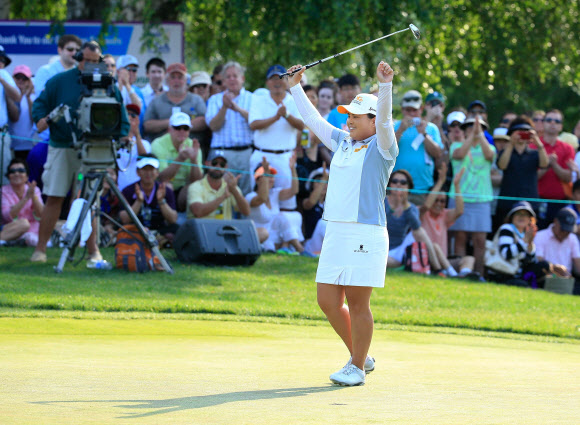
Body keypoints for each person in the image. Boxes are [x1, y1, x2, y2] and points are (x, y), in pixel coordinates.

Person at [287, 60, 398, 386]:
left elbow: (387, 120)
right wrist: (295, 86)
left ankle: (357, 368)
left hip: (366, 232)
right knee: (327, 301)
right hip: (336, 229)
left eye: (355, 115)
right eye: (347, 114)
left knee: (357, 302)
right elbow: (312, 119)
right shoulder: (342, 141)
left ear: (373, 121)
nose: (348, 120)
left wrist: (385, 86)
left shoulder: (383, 148)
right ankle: (361, 354)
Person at [30, 40, 130, 264]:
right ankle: (40, 249)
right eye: (88, 61)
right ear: (79, 60)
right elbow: (40, 106)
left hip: (95, 148)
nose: (93, 65)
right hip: (63, 147)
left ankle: (93, 250)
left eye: (97, 61)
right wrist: (42, 119)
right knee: (55, 196)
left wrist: (122, 136)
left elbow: (120, 113)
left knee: (90, 201)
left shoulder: (109, 84)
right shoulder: (59, 81)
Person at [249, 64, 304, 213]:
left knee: (286, 203)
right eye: (273, 79)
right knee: (259, 199)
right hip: (262, 156)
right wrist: (276, 117)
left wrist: (286, 115)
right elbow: (253, 124)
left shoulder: (294, 101)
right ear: (267, 82)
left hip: (285, 157)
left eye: (280, 78)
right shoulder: (258, 100)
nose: (277, 82)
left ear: (287, 80)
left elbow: (301, 126)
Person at [448, 116, 496, 274]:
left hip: (481, 200)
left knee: (480, 241)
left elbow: (489, 156)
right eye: (469, 127)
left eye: (478, 127)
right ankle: (461, 272)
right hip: (459, 198)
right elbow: (460, 154)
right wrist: (471, 136)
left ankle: (478, 274)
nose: (474, 129)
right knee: (460, 237)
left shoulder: (490, 148)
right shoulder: (455, 145)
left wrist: (479, 135)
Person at [486, 201, 566, 287]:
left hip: (517, 273)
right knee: (522, 285)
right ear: (512, 216)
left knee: (544, 265)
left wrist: (530, 243)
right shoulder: (507, 228)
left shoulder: (526, 233)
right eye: (518, 213)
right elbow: (506, 254)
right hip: (502, 273)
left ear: (530, 220)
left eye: (525, 215)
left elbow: (530, 261)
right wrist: (524, 241)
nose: (522, 217)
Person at [420, 163, 477, 278]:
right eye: (436, 200)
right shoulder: (421, 213)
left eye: (442, 201)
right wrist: (440, 181)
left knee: (469, 259)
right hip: (426, 258)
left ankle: (463, 274)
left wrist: (456, 186)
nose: (439, 204)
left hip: (444, 260)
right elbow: (426, 206)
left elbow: (459, 211)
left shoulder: (444, 215)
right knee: (434, 246)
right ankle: (453, 274)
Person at [205, 61, 254, 194]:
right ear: (224, 81)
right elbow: (213, 126)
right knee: (221, 192)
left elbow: (256, 123)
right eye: (228, 76)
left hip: (246, 154)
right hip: (221, 155)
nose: (232, 79)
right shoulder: (215, 100)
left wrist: (237, 109)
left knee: (245, 194)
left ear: (242, 78)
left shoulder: (252, 98)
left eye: (235, 75)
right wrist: (224, 107)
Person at [246, 156, 310, 256]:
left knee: (295, 215)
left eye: (271, 176)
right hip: (261, 236)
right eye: (266, 175)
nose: (270, 179)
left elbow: (294, 191)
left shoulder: (274, 193)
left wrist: (292, 170)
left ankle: (286, 247)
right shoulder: (250, 197)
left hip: (276, 236)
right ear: (257, 180)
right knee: (283, 216)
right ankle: (300, 249)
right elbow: (262, 198)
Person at [385, 169, 443, 272]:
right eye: (395, 181)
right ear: (389, 184)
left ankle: (438, 270)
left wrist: (404, 205)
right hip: (382, 247)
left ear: (408, 187)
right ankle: (406, 264)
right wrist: (393, 207)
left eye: (403, 183)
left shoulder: (411, 208)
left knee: (419, 231)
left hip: (399, 249)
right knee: (383, 261)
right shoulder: (382, 201)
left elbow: (416, 226)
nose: (398, 184)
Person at [393, 90, 443, 205]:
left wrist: (423, 134)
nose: (411, 113)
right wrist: (400, 130)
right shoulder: (394, 126)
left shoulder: (431, 128)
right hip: (397, 187)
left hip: (422, 190)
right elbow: (386, 150)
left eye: (414, 110)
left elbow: (437, 153)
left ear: (421, 109)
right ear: (402, 110)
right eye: (408, 110)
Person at [496, 116, 549, 226]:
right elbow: (502, 165)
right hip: (507, 204)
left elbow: (545, 164)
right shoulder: (504, 152)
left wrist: (538, 142)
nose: (522, 134)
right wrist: (511, 143)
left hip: (531, 204)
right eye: (518, 132)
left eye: (525, 132)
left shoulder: (534, 154)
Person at [120, 155, 178, 245]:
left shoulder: (166, 190)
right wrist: (138, 201)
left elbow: (173, 219)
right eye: (144, 169)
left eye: (151, 169)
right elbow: (124, 219)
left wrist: (161, 201)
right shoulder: (128, 191)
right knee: (124, 229)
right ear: (138, 172)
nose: (148, 173)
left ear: (157, 172)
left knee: (175, 229)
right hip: (136, 228)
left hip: (159, 229)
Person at [151, 112, 203, 212]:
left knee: (194, 188)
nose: (182, 131)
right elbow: (161, 177)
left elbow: (197, 181)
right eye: (178, 128)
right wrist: (180, 159)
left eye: (185, 128)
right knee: (167, 186)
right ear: (169, 129)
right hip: (161, 188)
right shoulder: (158, 144)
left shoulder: (193, 145)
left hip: (183, 190)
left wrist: (193, 160)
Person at [143, 62, 207, 142]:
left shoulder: (196, 100)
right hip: (161, 150)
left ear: (186, 80)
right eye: (173, 77)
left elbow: (203, 121)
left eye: (180, 77)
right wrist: (172, 123)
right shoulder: (156, 101)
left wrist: (179, 126)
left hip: (190, 149)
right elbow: (148, 125)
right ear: (167, 80)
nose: (176, 81)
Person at [535, 109, 575, 228]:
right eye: (549, 120)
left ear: (561, 126)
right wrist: (547, 165)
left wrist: (554, 165)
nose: (553, 123)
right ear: (543, 123)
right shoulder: (534, 146)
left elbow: (568, 177)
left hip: (560, 203)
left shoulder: (568, 148)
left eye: (557, 121)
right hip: (538, 201)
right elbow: (532, 177)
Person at [187, 150, 251, 220]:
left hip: (224, 230)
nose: (218, 166)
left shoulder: (231, 186)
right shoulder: (196, 186)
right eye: (214, 163)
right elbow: (198, 212)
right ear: (207, 164)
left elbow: (246, 212)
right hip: (200, 230)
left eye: (222, 164)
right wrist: (223, 197)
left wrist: (234, 191)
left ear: (226, 167)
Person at [1, 159, 44, 246]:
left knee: (58, 224)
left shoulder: (34, 190)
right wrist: (26, 198)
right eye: (12, 171)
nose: (16, 174)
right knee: (24, 224)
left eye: (21, 171)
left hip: (34, 230)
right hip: (12, 229)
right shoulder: (3, 191)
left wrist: (33, 197)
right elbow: (7, 216)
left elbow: (42, 215)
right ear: (8, 176)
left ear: (27, 176)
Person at [534, 207, 580, 281]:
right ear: (555, 221)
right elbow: (539, 261)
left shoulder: (572, 238)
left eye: (568, 230)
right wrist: (554, 267)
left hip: (567, 280)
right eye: (563, 229)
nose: (565, 233)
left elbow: (578, 263)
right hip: (545, 278)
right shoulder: (540, 236)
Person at [116, 104, 152, 191]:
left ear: (138, 120)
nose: (130, 117)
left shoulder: (145, 144)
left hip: (136, 191)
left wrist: (137, 133)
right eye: (126, 114)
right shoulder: (114, 142)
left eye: (133, 115)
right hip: (117, 190)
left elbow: (144, 159)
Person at [0, 46, 21, 183]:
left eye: (2, 60)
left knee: (3, 178)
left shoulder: (4, 74)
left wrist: (1, 79)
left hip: (1, 134)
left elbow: (17, 97)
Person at [9, 65, 36, 161]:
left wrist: (28, 97)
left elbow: (34, 119)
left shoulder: (33, 97)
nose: (21, 80)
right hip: (10, 145)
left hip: (28, 145)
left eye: (24, 78)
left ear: (29, 81)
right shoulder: (7, 95)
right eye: (18, 77)